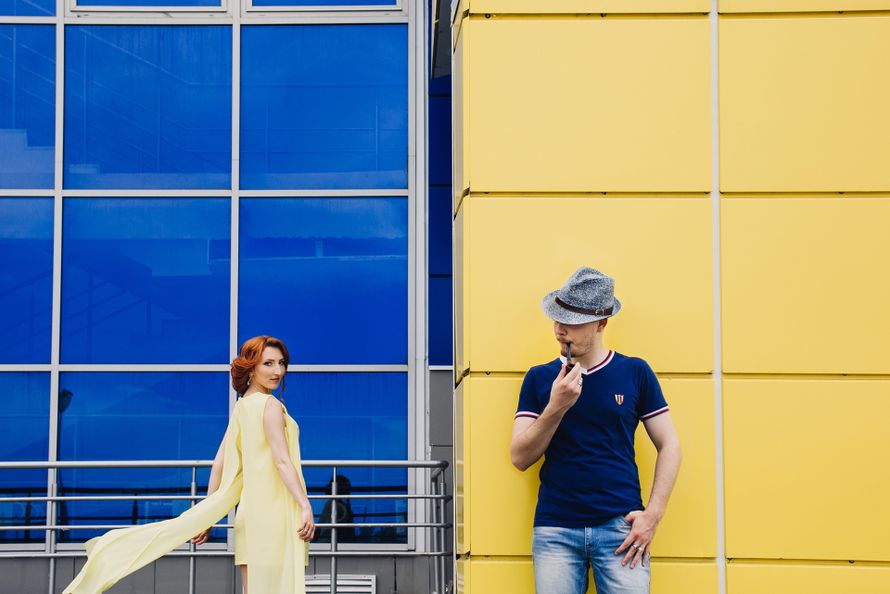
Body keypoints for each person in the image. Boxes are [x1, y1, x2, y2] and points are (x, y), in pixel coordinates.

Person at [63, 336, 315, 594]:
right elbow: (282, 461)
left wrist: (205, 516)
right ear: (251, 367)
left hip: (251, 517)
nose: (278, 371)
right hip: (275, 514)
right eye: (268, 363)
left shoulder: (243, 406)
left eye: (281, 363)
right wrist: (305, 505)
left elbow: (219, 464)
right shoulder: (270, 405)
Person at [510, 267, 682, 594]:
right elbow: (519, 457)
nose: (560, 330)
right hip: (556, 530)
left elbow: (670, 445)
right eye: (557, 319)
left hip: (621, 530)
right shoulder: (539, 378)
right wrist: (557, 405)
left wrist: (653, 516)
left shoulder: (635, 372)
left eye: (572, 322)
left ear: (601, 323)